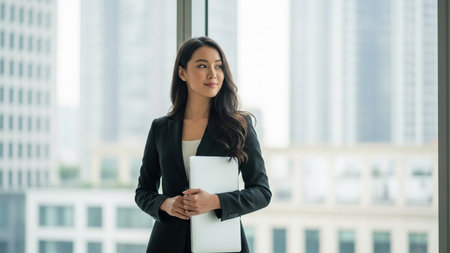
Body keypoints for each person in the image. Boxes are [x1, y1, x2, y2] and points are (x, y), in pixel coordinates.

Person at [135, 36, 271, 253]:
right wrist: (165, 204)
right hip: (168, 243)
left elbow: (262, 192)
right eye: (202, 66)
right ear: (182, 73)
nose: (212, 74)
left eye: (218, 66)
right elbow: (143, 191)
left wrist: (216, 202)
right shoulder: (161, 128)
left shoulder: (239, 126)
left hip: (221, 243)